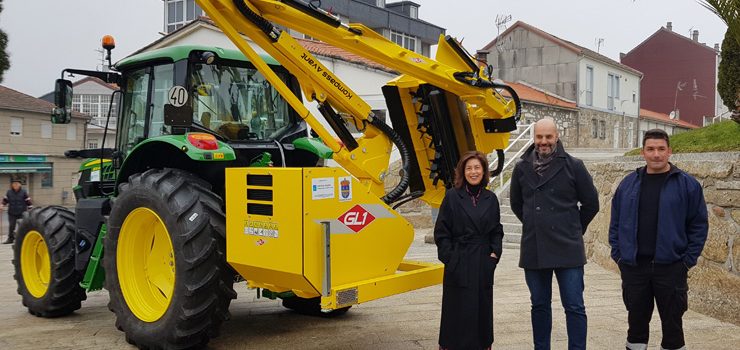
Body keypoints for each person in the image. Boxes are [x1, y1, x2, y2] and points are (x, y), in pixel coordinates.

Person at [609, 129, 708, 350]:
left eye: (661, 149)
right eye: (651, 149)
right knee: (636, 328)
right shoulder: (628, 185)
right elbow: (615, 222)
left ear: (669, 151)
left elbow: (699, 225)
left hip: (671, 268)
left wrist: (686, 261)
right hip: (635, 268)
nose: (656, 154)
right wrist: (619, 255)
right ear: (643, 152)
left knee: (673, 328)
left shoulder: (687, 185)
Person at [509, 118, 599, 350]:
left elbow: (591, 203)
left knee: (574, 305)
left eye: (548, 137)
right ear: (534, 138)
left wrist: (573, 228)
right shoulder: (521, 167)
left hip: (567, 246)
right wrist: (535, 223)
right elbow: (517, 204)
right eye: (539, 137)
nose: (544, 142)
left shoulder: (574, 165)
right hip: (535, 246)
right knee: (539, 305)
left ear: (557, 136)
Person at [434, 151, 504, 350]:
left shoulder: (491, 199)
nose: (473, 172)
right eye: (469, 168)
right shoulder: (452, 197)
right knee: (456, 314)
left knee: (480, 313)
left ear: (484, 171)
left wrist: (494, 255)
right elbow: (441, 232)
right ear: (462, 172)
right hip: (459, 261)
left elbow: (496, 231)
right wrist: (451, 258)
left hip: (482, 262)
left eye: (477, 168)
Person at [2, 180, 33, 244]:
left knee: (22, 226)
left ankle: (23, 239)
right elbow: (5, 200)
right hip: (12, 212)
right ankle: (10, 239)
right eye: (14, 184)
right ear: (12, 185)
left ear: (20, 185)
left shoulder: (24, 192)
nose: (15, 185)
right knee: (11, 226)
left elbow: (28, 201)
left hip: (22, 212)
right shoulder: (9, 192)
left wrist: (30, 208)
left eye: (17, 184)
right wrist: (2, 205)